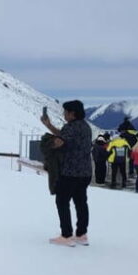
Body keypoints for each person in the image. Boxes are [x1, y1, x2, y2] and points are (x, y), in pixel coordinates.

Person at [41, 100, 92, 247]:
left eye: (65, 112)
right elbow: (64, 137)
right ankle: (81, 234)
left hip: (70, 172)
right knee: (81, 202)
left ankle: (66, 235)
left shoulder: (70, 127)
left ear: (72, 113)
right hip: (85, 172)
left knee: (62, 201)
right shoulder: (85, 127)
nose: (64, 114)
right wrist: (49, 126)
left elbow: (61, 141)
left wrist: (49, 144)